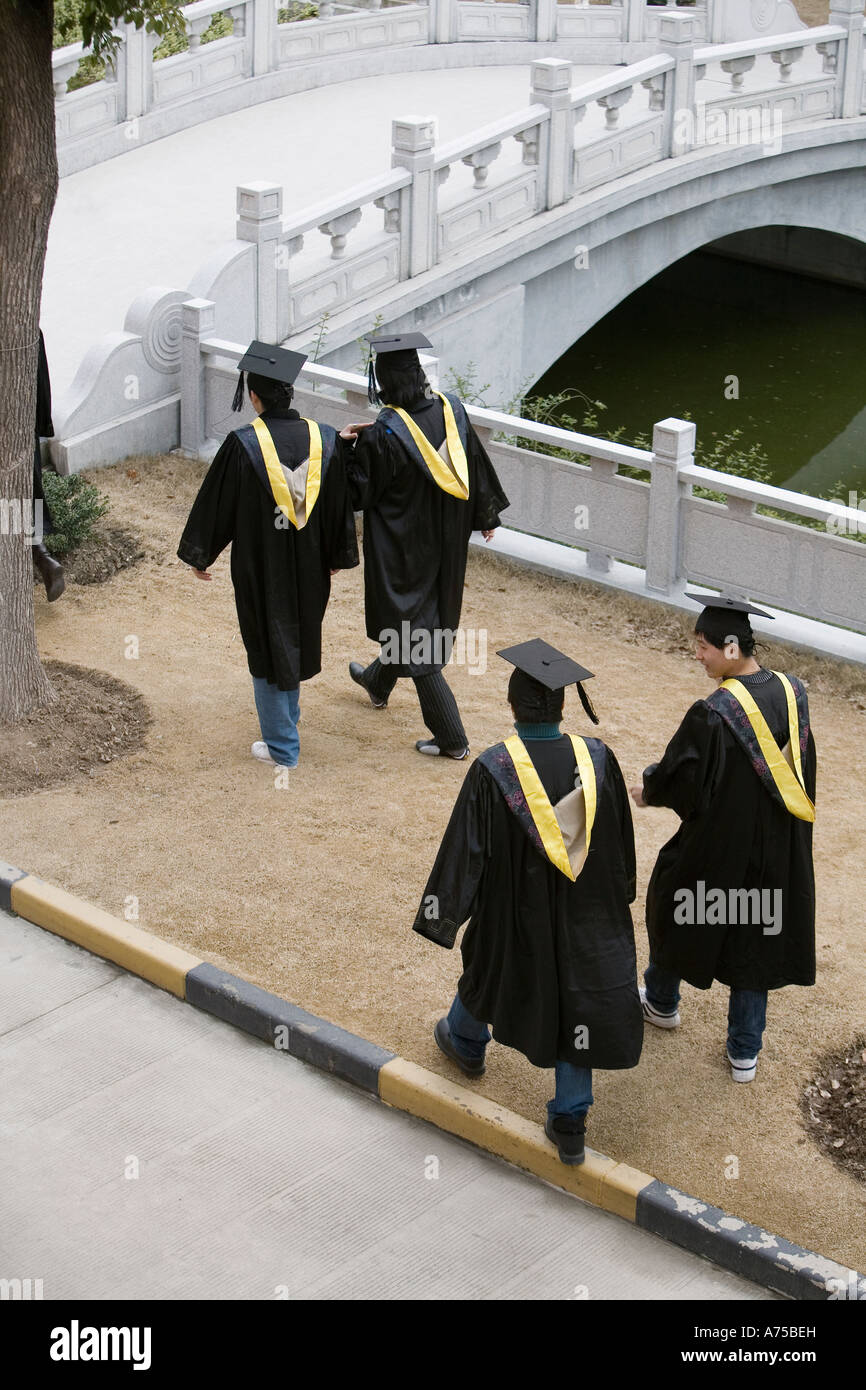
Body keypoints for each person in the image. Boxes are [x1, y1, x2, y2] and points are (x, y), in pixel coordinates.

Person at [413, 639, 642, 1165]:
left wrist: (445, 914)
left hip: (514, 911)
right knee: (576, 993)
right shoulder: (599, 759)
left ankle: (467, 1042)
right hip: (588, 912)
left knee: (495, 961)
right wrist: (620, 892)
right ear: (564, 706)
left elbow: (465, 853)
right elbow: (621, 841)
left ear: (512, 706)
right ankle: (570, 1117)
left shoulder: (494, 769)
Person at [630, 593, 817, 1084]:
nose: (698, 655)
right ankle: (744, 1053)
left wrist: (649, 790)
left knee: (676, 904)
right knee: (755, 937)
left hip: (719, 847)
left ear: (730, 648)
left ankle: (663, 1002)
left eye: (703, 646)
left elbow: (683, 779)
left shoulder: (714, 711)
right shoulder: (793, 692)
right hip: (778, 849)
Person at [177, 341, 359, 770]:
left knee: (266, 640)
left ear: (254, 396)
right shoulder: (325, 439)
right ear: (289, 392)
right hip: (311, 564)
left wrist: (201, 554)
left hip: (261, 564)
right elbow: (338, 502)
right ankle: (286, 726)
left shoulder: (243, 445)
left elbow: (216, 504)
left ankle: (281, 748)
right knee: (293, 635)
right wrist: (335, 554)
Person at [344, 332, 509, 759]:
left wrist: (348, 450)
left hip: (404, 548)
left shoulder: (385, 432)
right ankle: (377, 683)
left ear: (385, 382)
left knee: (417, 639)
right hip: (447, 543)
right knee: (421, 622)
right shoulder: (451, 408)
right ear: (418, 374)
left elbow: (361, 493)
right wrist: (485, 515)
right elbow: (472, 461)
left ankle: (452, 739)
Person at [32, 329, 65, 602]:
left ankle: (43, 560)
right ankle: (43, 558)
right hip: (22, 430)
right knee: (18, 504)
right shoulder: (26, 324)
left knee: (12, 506)